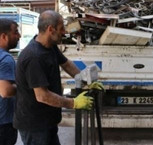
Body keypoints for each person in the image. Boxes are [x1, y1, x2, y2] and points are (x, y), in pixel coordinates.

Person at [13, 10, 94, 145]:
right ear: (51, 29)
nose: (64, 32)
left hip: (47, 120)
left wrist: (85, 80)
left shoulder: (50, 47)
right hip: (34, 125)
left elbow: (66, 64)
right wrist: (73, 103)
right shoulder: (34, 57)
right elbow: (42, 96)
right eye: (61, 28)